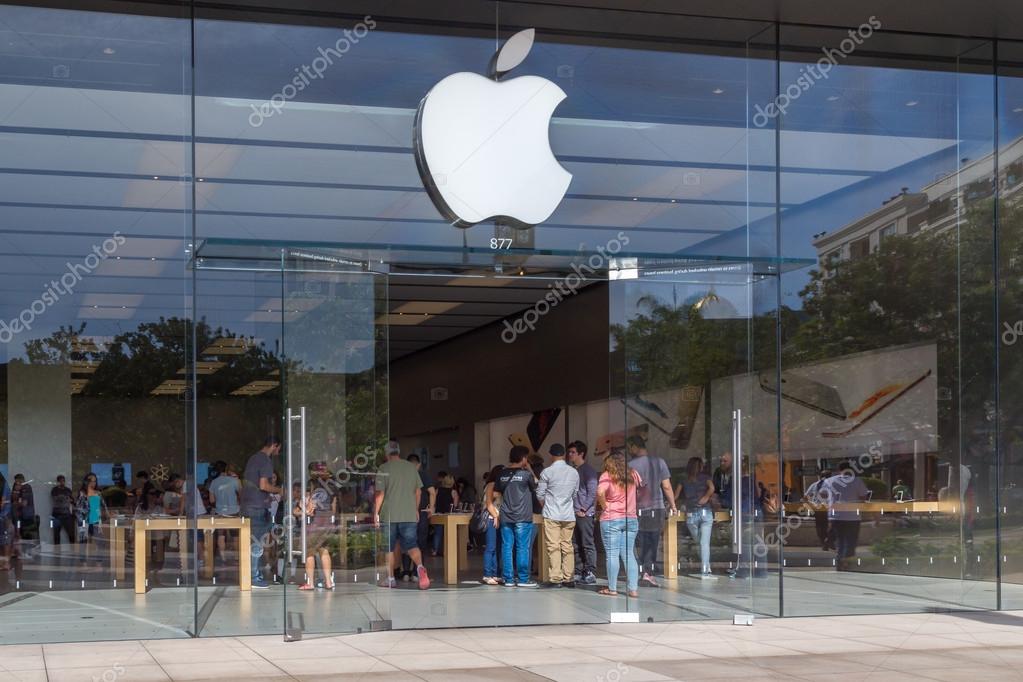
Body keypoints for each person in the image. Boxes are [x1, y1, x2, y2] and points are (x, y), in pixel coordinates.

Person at [374, 440, 430, 589]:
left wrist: (376, 513)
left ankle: (391, 578)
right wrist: (415, 509)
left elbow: (380, 494)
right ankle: (419, 567)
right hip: (408, 514)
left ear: (386, 453)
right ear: (398, 452)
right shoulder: (411, 468)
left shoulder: (383, 468)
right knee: (412, 545)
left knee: (389, 548)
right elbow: (418, 491)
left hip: (389, 514)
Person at [627, 436, 676, 586]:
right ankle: (648, 572)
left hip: (639, 508)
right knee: (653, 542)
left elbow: (628, 489)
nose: (629, 451)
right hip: (657, 507)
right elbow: (666, 486)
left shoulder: (630, 465)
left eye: (629, 448)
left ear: (635, 446)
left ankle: (640, 571)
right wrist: (673, 505)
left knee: (640, 542)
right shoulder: (660, 462)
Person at [491, 445, 538, 588]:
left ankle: (508, 579)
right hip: (523, 517)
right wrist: (529, 468)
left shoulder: (502, 474)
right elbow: (536, 484)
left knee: (506, 547)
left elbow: (496, 494)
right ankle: (523, 579)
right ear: (523, 458)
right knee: (522, 547)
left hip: (506, 516)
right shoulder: (526, 474)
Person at [597, 452, 642, 597]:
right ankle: (633, 589)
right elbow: (641, 489)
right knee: (629, 554)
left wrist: (605, 507)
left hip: (612, 519)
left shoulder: (607, 475)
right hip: (631, 518)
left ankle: (612, 588)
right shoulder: (633, 473)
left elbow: (599, 492)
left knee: (612, 554)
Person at [241, 435, 283, 589]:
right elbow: (264, 485)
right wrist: (280, 490)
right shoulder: (265, 460)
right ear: (274, 445)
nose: (278, 451)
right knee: (257, 544)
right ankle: (254, 577)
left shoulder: (253, 459)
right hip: (258, 507)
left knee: (252, 541)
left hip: (248, 506)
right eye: (278, 448)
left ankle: (251, 575)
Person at [536, 443, 580, 588]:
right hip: (568, 514)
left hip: (552, 513)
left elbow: (540, 494)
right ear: (564, 455)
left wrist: (546, 506)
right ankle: (569, 578)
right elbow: (575, 493)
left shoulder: (547, 472)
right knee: (567, 545)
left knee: (553, 546)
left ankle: (555, 578)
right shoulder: (574, 472)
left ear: (551, 455)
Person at [823, 462, 871, 567]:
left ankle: (840, 563)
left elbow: (823, 494)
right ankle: (847, 564)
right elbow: (864, 497)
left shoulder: (829, 481)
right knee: (850, 542)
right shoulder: (857, 481)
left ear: (838, 469)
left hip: (835, 516)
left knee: (840, 541)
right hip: (852, 516)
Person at [294, 478, 336, 591]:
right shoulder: (329, 494)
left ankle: (310, 583)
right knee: (324, 551)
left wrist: (302, 507)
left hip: (314, 525)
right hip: (327, 523)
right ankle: (328, 582)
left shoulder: (312, 495)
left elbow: (308, 511)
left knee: (309, 552)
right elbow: (334, 509)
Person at [402, 453, 435, 582]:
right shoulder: (423, 475)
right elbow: (432, 492)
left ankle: (405, 572)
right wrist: (431, 508)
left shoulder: (403, 476)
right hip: (421, 512)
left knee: (407, 542)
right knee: (420, 543)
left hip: (405, 512)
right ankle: (417, 573)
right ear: (419, 464)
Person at [681, 457, 716, 579]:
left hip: (691, 513)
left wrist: (673, 505)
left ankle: (706, 569)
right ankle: (706, 569)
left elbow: (675, 494)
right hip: (705, 512)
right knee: (703, 543)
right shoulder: (705, 477)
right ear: (701, 466)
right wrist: (706, 497)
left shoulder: (684, 479)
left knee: (700, 542)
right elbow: (712, 488)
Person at [569, 441, 598, 585]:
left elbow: (593, 492)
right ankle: (579, 571)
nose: (570, 455)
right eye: (570, 452)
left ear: (581, 454)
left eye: (573, 452)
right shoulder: (574, 470)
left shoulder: (588, 470)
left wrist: (584, 509)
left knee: (587, 543)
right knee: (575, 543)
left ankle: (590, 571)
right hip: (574, 512)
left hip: (584, 513)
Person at [209, 462, 241, 564]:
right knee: (236, 536)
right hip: (234, 511)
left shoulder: (213, 482)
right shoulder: (235, 481)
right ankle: (237, 558)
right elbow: (242, 495)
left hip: (220, 512)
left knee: (221, 535)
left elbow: (211, 500)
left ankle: (223, 558)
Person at [481, 464, 505, 585]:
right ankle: (487, 574)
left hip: (499, 518)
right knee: (490, 547)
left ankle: (496, 574)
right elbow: (489, 503)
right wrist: (495, 516)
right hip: (491, 518)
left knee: (498, 547)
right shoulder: (491, 485)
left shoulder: (501, 486)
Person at [76, 473, 107, 565]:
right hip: (85, 520)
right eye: (91, 481)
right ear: (86, 482)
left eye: (94, 481)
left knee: (101, 542)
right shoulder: (82, 493)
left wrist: (106, 514)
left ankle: (99, 562)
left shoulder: (98, 493)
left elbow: (104, 506)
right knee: (83, 543)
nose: (93, 483)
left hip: (96, 521)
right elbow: (78, 508)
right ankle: (83, 563)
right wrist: (81, 520)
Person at [803, 470, 834, 551]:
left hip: (817, 508)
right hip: (828, 508)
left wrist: (812, 502)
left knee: (820, 526)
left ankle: (824, 543)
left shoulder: (814, 484)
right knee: (831, 525)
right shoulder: (830, 484)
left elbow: (805, 496)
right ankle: (828, 542)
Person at [431, 473, 460, 556]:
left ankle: (435, 550)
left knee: (437, 533)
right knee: (449, 533)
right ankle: (448, 550)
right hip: (449, 514)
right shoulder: (453, 492)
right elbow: (455, 504)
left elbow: (434, 501)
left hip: (438, 513)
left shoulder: (437, 490)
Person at [50, 475, 76, 546]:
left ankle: (73, 548)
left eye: (63, 481)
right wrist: (66, 498)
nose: (62, 482)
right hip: (56, 515)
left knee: (71, 534)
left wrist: (69, 500)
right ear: (57, 482)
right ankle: (56, 551)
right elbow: (56, 499)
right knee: (56, 535)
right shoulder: (54, 490)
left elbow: (72, 500)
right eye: (60, 481)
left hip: (67, 515)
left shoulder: (68, 490)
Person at [11, 475, 36, 547]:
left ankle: (28, 552)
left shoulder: (26, 487)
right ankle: (22, 551)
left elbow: (24, 503)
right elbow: (13, 499)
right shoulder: (16, 487)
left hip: (27, 515)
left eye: (17, 482)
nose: (16, 483)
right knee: (19, 533)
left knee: (27, 534)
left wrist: (16, 503)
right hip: (18, 516)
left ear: (21, 480)